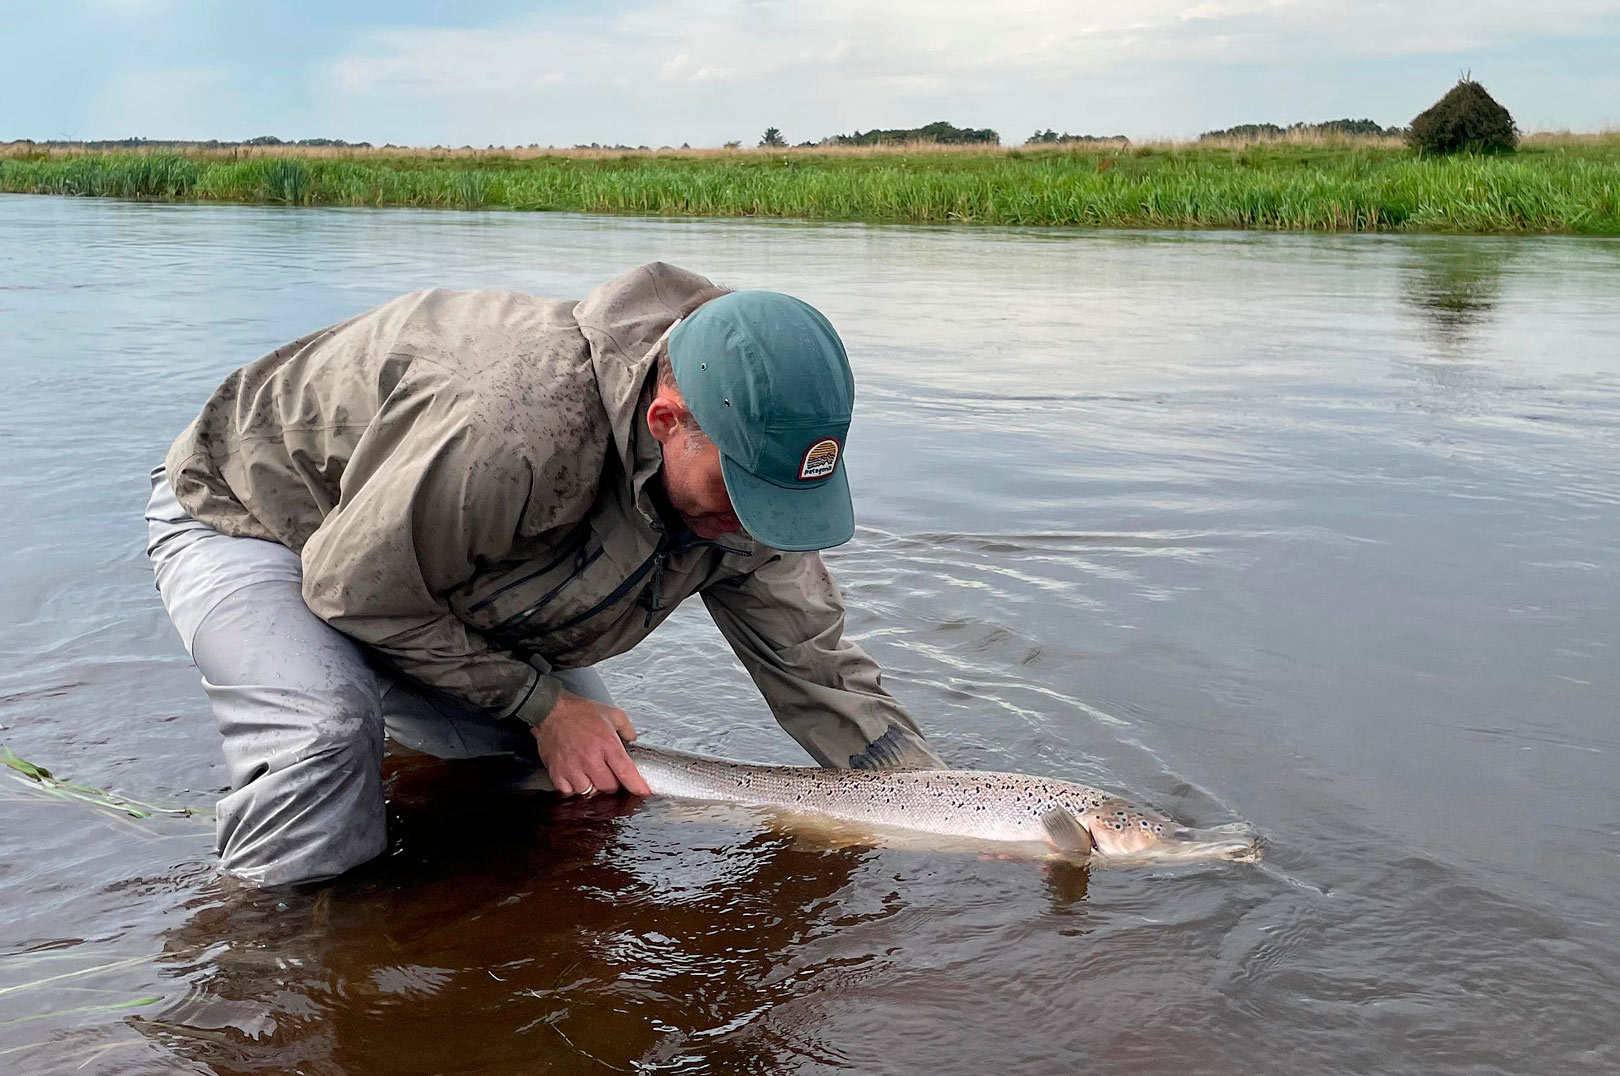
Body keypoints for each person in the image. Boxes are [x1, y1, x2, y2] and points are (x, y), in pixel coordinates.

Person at [145, 261, 943, 886]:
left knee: (596, 783)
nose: (755, 525)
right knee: (324, 736)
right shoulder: (518, 423)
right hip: (258, 519)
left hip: (432, 562)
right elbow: (353, 590)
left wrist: (948, 809)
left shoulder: (754, 479)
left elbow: (819, 673)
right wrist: (542, 703)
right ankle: (264, 955)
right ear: (667, 422)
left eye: (780, 503)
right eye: (738, 493)